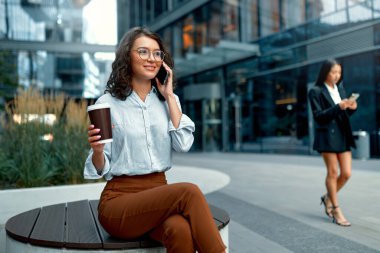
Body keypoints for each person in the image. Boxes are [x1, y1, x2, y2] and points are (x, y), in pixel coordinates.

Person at [84, 27, 226, 253]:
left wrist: (169, 96)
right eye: (143, 52)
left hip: (159, 195)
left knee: (180, 230)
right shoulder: (106, 103)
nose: (152, 59)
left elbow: (183, 145)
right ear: (126, 56)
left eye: (157, 53)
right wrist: (98, 151)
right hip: (119, 201)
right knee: (188, 191)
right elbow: (100, 168)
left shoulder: (169, 101)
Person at [308, 59, 357, 227]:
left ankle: (327, 197)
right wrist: (339, 107)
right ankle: (335, 208)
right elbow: (318, 116)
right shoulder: (315, 91)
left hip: (342, 134)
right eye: (333, 72)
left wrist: (351, 107)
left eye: (339, 72)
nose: (337, 76)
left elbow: (342, 115)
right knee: (333, 173)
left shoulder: (340, 88)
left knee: (347, 173)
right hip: (327, 136)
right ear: (325, 73)